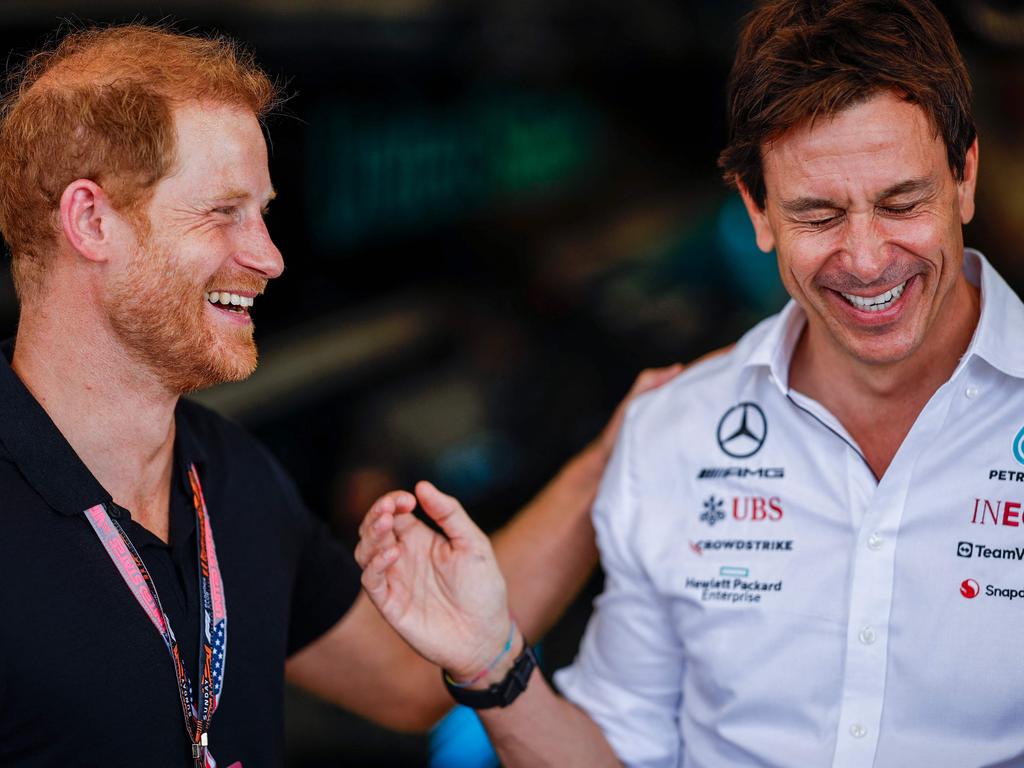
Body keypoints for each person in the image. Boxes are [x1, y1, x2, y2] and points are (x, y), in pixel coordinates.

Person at [356, 1, 1024, 766]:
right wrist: (493, 666)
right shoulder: (672, 434)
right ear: (756, 210)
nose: (867, 259)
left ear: (965, 175)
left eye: (902, 203)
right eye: (817, 216)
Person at [0, 24, 682, 767]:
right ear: (91, 221)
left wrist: (613, 458)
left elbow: (410, 679)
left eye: (262, 213)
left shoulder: (231, 475)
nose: (268, 256)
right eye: (222, 213)